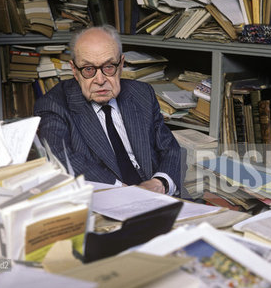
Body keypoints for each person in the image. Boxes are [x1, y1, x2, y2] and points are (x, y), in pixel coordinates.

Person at [34, 25, 181, 195]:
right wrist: (126, 192)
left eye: (109, 67)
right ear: (74, 70)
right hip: (105, 200)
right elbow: (60, 159)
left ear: (121, 65)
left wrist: (160, 182)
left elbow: (169, 148)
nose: (100, 80)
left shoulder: (142, 94)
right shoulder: (53, 105)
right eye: (88, 69)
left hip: (158, 196)